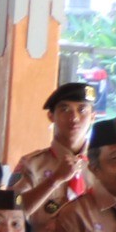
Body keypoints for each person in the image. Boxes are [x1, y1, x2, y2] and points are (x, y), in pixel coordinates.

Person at [13, 81, 97, 219]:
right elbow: (11, 211)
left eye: (82, 110)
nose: (74, 118)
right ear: (51, 116)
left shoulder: (103, 163)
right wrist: (54, 180)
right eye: (65, 109)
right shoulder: (31, 164)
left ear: (93, 117)